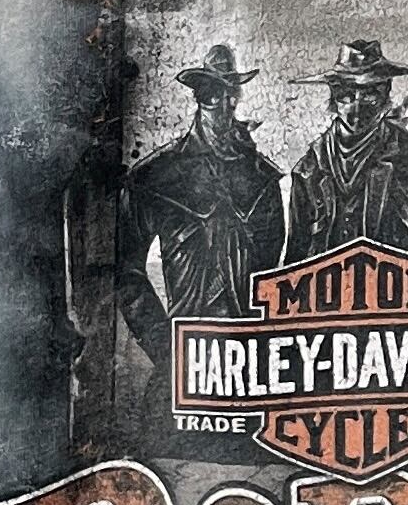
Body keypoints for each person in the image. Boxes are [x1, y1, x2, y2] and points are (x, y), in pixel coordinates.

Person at [114, 43, 284, 361]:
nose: (223, 105)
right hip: (187, 350)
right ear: (199, 98)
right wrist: (165, 347)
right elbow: (126, 271)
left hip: (250, 352)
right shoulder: (156, 175)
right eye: (212, 94)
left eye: (230, 93)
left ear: (236, 98)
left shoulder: (262, 178)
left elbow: (271, 274)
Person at [282, 40, 408, 268]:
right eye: (347, 94)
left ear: (386, 93)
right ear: (333, 97)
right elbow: (294, 265)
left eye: (370, 94)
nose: (357, 106)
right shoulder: (309, 170)